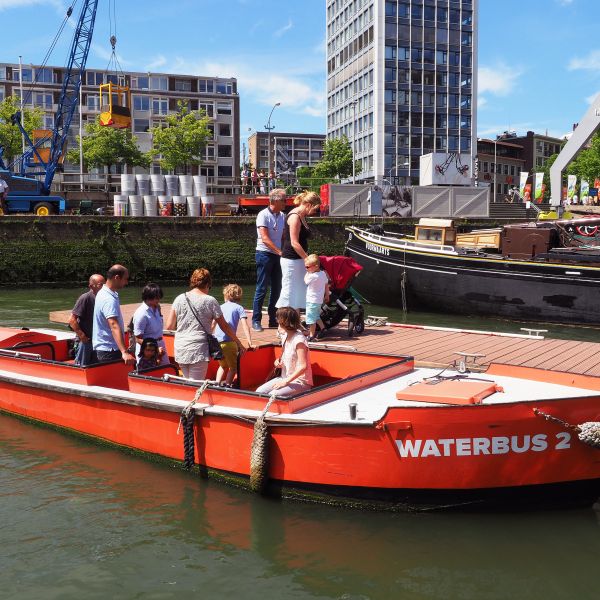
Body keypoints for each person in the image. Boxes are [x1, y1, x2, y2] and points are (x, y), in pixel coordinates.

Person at [165, 268, 246, 381]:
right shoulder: (210, 301)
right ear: (208, 283)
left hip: (180, 347)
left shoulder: (179, 298)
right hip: (198, 349)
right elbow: (224, 326)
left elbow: (169, 326)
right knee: (195, 384)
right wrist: (239, 343)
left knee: (187, 381)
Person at [276, 191, 321, 312]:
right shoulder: (295, 217)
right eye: (315, 209)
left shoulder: (302, 215)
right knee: (289, 292)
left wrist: (304, 260)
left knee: (298, 292)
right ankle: (282, 326)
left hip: (298, 260)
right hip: (291, 260)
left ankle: (295, 322)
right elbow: (294, 243)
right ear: (309, 205)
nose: (315, 212)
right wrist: (308, 260)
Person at [255, 307, 312, 398]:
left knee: (273, 395)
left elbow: (303, 366)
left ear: (283, 322)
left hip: (300, 382)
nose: (277, 321)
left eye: (278, 319)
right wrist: (278, 361)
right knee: (259, 391)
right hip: (284, 377)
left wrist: (286, 381)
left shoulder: (299, 340)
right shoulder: (285, 336)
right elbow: (287, 357)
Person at [251, 188, 286, 332]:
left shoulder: (283, 215)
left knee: (277, 288)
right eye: (284, 200)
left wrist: (284, 251)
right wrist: (280, 252)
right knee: (262, 288)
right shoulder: (262, 215)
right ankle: (256, 320)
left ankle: (273, 319)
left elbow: (283, 236)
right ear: (276, 200)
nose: (286, 202)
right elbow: (265, 238)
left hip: (278, 255)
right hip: (264, 254)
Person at [92, 264, 136, 365]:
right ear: (116, 278)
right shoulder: (108, 299)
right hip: (109, 350)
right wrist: (124, 352)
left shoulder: (104, 292)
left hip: (107, 348)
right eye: (125, 279)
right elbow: (113, 325)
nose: (126, 282)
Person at [214, 284, 253, 386]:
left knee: (223, 366)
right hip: (229, 342)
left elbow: (213, 324)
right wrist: (249, 341)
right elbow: (245, 325)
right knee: (233, 368)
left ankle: (216, 384)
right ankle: (228, 385)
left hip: (217, 342)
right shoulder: (239, 308)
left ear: (226, 295)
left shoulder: (220, 307)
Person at [68, 273, 105, 366]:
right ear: (91, 286)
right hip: (86, 341)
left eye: (104, 284)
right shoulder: (85, 298)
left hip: (98, 341)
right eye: (101, 284)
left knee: (96, 366)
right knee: (82, 366)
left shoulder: (104, 298)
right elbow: (72, 320)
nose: (104, 287)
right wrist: (82, 336)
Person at [132, 283, 169, 366]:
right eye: (156, 297)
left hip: (160, 345)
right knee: (150, 374)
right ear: (148, 297)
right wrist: (155, 349)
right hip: (147, 351)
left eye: (159, 297)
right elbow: (138, 338)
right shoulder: (141, 313)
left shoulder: (157, 308)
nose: (158, 299)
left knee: (166, 370)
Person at [303, 254, 330, 341]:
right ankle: (323, 329)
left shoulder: (312, 276)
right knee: (316, 316)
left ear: (316, 266)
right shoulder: (322, 273)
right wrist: (327, 295)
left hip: (311, 300)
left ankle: (311, 335)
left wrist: (307, 273)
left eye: (307, 267)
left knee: (311, 319)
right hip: (318, 301)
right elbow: (326, 285)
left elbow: (305, 281)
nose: (306, 268)